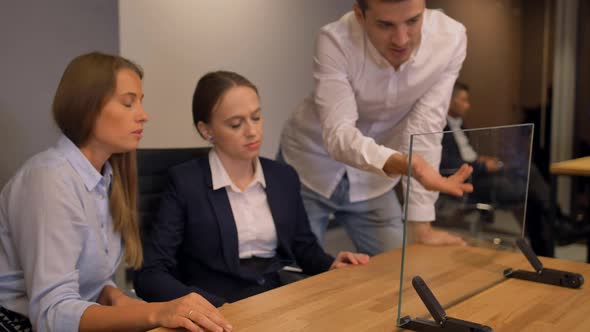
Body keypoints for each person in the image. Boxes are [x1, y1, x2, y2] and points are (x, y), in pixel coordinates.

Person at [0, 52, 231, 332]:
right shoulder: (49, 180)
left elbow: (89, 280)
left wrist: (116, 297)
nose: (143, 116)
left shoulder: (105, 176)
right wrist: (156, 313)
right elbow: (52, 314)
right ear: (87, 107)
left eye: (141, 103)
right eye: (127, 102)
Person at [134, 71, 370, 307]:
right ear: (207, 131)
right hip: (216, 307)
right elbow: (151, 273)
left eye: (256, 118)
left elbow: (303, 247)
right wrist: (198, 305)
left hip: (277, 300)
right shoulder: (186, 182)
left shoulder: (282, 176)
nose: (252, 131)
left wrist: (330, 264)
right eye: (236, 124)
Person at [279, 0, 473, 255]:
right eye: (385, 25)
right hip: (310, 165)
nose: (401, 40)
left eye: (413, 21)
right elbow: (339, 135)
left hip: (374, 179)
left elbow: (426, 127)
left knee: (398, 272)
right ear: (360, 15)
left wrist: (422, 228)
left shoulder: (450, 38)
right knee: (293, 273)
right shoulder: (335, 40)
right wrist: (408, 165)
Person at [441, 81, 585, 257]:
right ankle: (558, 225)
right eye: (463, 100)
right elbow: (447, 163)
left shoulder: (460, 124)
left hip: (478, 170)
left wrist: (481, 159)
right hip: (469, 181)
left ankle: (554, 231)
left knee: (529, 177)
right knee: (529, 188)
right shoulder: (440, 127)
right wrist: (481, 165)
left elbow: (466, 154)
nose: (468, 105)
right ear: (449, 100)